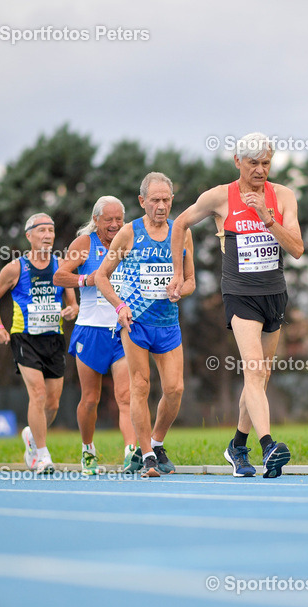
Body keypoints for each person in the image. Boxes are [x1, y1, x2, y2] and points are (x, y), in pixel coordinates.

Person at [166, 132, 304, 478]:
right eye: (254, 163)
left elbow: (298, 249)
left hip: (274, 293)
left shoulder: (283, 196)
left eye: (266, 163)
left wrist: (268, 219)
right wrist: (178, 273)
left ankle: (237, 446)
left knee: (261, 375)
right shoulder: (220, 197)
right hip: (240, 294)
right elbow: (180, 223)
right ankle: (269, 445)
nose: (260, 170)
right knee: (254, 370)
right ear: (237, 162)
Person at [94, 172, 196, 478]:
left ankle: (156, 441)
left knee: (175, 389)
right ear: (142, 201)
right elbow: (101, 276)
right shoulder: (129, 233)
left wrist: (180, 290)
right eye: (155, 200)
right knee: (140, 386)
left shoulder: (182, 232)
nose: (162, 206)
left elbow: (191, 281)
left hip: (168, 324)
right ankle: (148, 455)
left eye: (166, 199)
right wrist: (120, 306)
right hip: (136, 323)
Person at [52, 196, 140, 475]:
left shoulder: (129, 240)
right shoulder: (84, 244)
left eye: (119, 219)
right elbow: (59, 276)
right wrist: (85, 279)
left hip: (121, 330)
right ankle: (88, 450)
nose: (115, 225)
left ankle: (131, 453)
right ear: (96, 220)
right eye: (109, 220)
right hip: (90, 330)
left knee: (126, 395)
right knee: (90, 399)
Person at [0, 213, 74, 474]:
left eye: (51, 230)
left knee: (53, 403)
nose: (47, 235)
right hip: (25, 338)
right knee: (37, 394)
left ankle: (32, 440)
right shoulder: (16, 268)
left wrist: (72, 309)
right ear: (29, 236)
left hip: (54, 339)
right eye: (41, 230)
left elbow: (72, 301)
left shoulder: (61, 266)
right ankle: (42, 455)